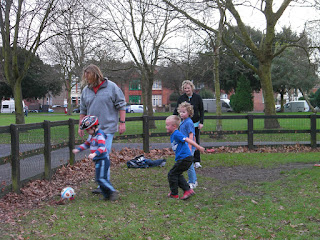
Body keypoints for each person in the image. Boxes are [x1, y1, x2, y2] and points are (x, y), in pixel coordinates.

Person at [79, 64, 126, 194]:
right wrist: (81, 126)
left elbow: (121, 105)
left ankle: (105, 184)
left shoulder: (111, 87)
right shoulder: (86, 91)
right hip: (92, 130)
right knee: (97, 157)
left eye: (89, 77)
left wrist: (122, 122)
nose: (87, 80)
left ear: (95, 75)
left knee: (103, 154)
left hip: (107, 128)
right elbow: (83, 110)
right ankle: (103, 183)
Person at [73, 115, 119, 201]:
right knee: (99, 179)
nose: (87, 132)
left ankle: (112, 191)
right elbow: (87, 144)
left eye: (88, 130)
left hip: (103, 160)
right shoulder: (92, 135)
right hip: (98, 160)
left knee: (101, 178)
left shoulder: (100, 135)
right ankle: (107, 196)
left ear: (94, 127)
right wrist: (78, 149)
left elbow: (102, 147)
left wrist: (94, 154)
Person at [165, 115, 205, 200]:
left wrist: (198, 147)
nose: (166, 127)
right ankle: (187, 190)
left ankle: (174, 194)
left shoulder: (177, 133)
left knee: (172, 174)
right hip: (183, 159)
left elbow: (188, 139)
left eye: (168, 125)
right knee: (177, 174)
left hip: (185, 158)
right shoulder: (173, 134)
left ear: (174, 126)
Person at [173, 80, 204, 168]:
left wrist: (201, 122)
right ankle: (185, 159)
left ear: (192, 88)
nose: (187, 90)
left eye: (188, 88)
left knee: (195, 141)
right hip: (184, 124)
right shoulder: (181, 98)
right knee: (184, 141)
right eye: (185, 88)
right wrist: (173, 119)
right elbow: (177, 110)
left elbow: (201, 110)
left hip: (195, 123)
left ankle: (197, 160)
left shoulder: (197, 98)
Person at [177, 102, 198, 189]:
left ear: (189, 113)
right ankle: (191, 180)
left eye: (184, 112)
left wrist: (190, 146)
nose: (181, 114)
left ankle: (193, 181)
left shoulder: (188, 122)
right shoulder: (183, 122)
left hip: (188, 147)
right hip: (184, 146)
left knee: (189, 165)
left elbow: (191, 135)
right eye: (181, 112)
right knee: (186, 164)